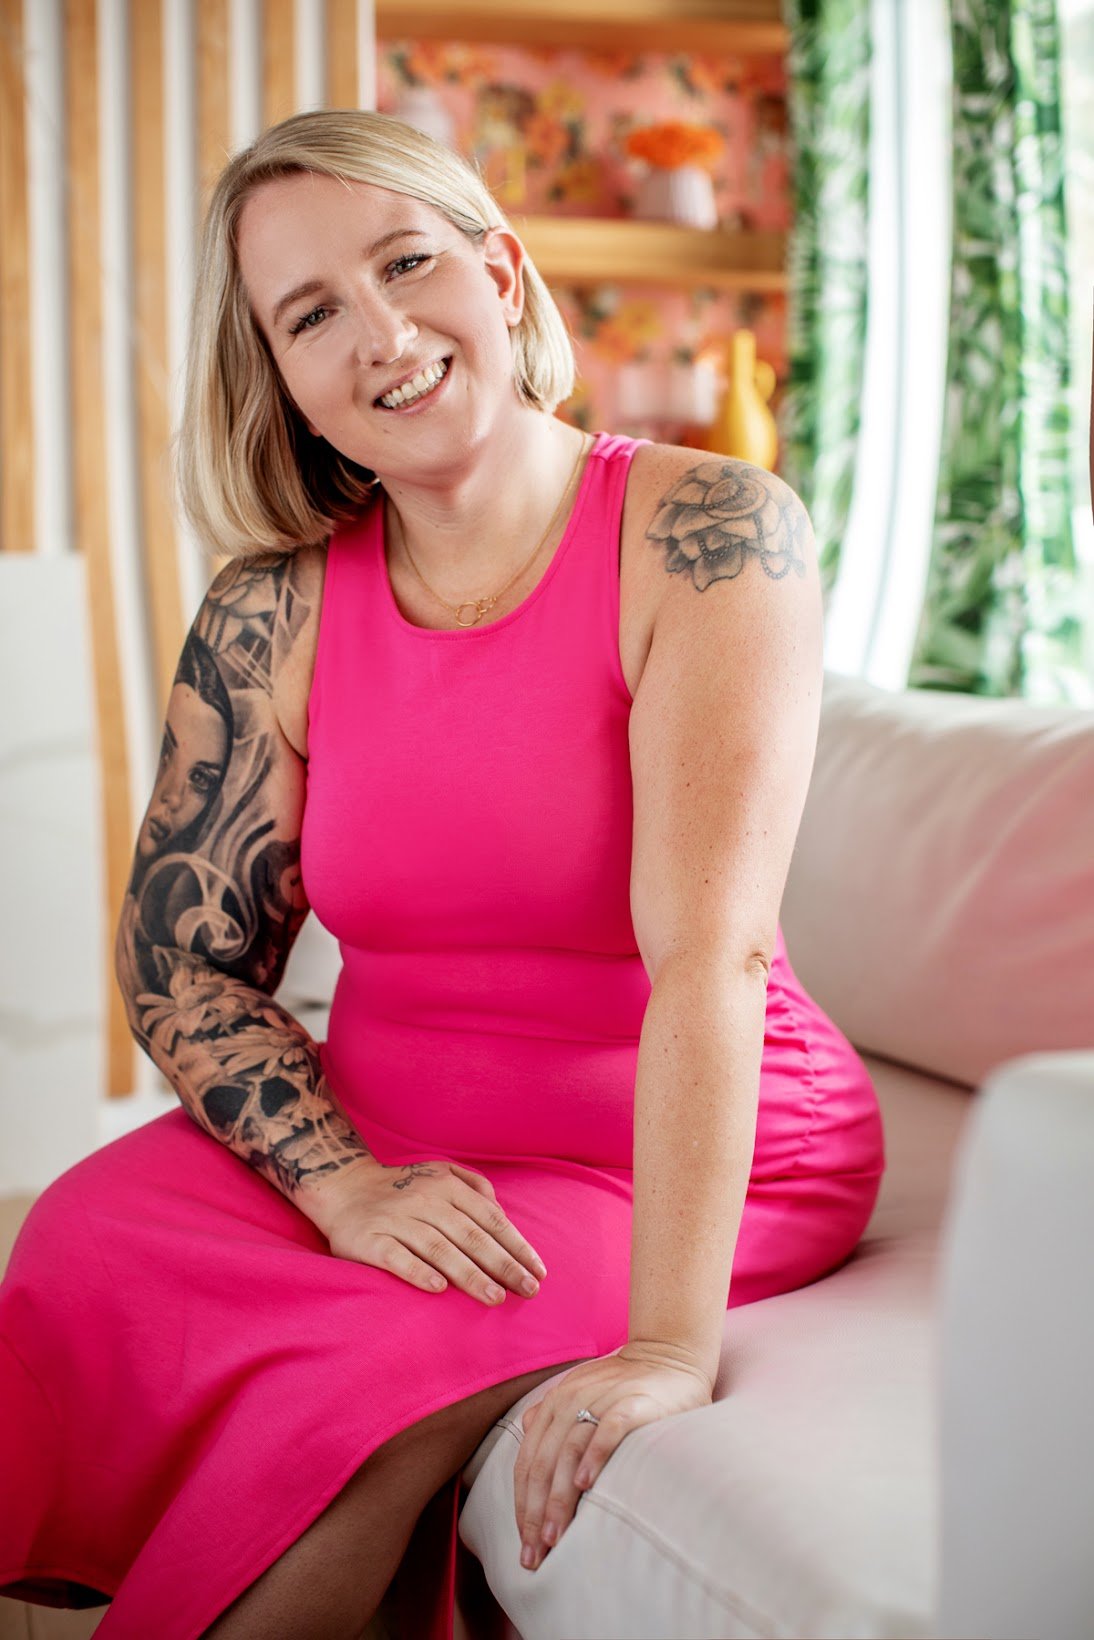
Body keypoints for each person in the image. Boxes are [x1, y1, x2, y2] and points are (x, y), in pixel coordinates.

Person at [0, 109, 885, 1639]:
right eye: (310, 314)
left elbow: (713, 959)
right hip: (382, 1125)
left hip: (661, 1149)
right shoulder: (269, 612)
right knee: (77, 1244)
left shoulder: (708, 533)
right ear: (279, 379)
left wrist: (666, 1350)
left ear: (501, 270)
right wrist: (342, 1184)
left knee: (358, 1382)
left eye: (406, 263)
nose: (382, 334)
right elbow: (183, 963)